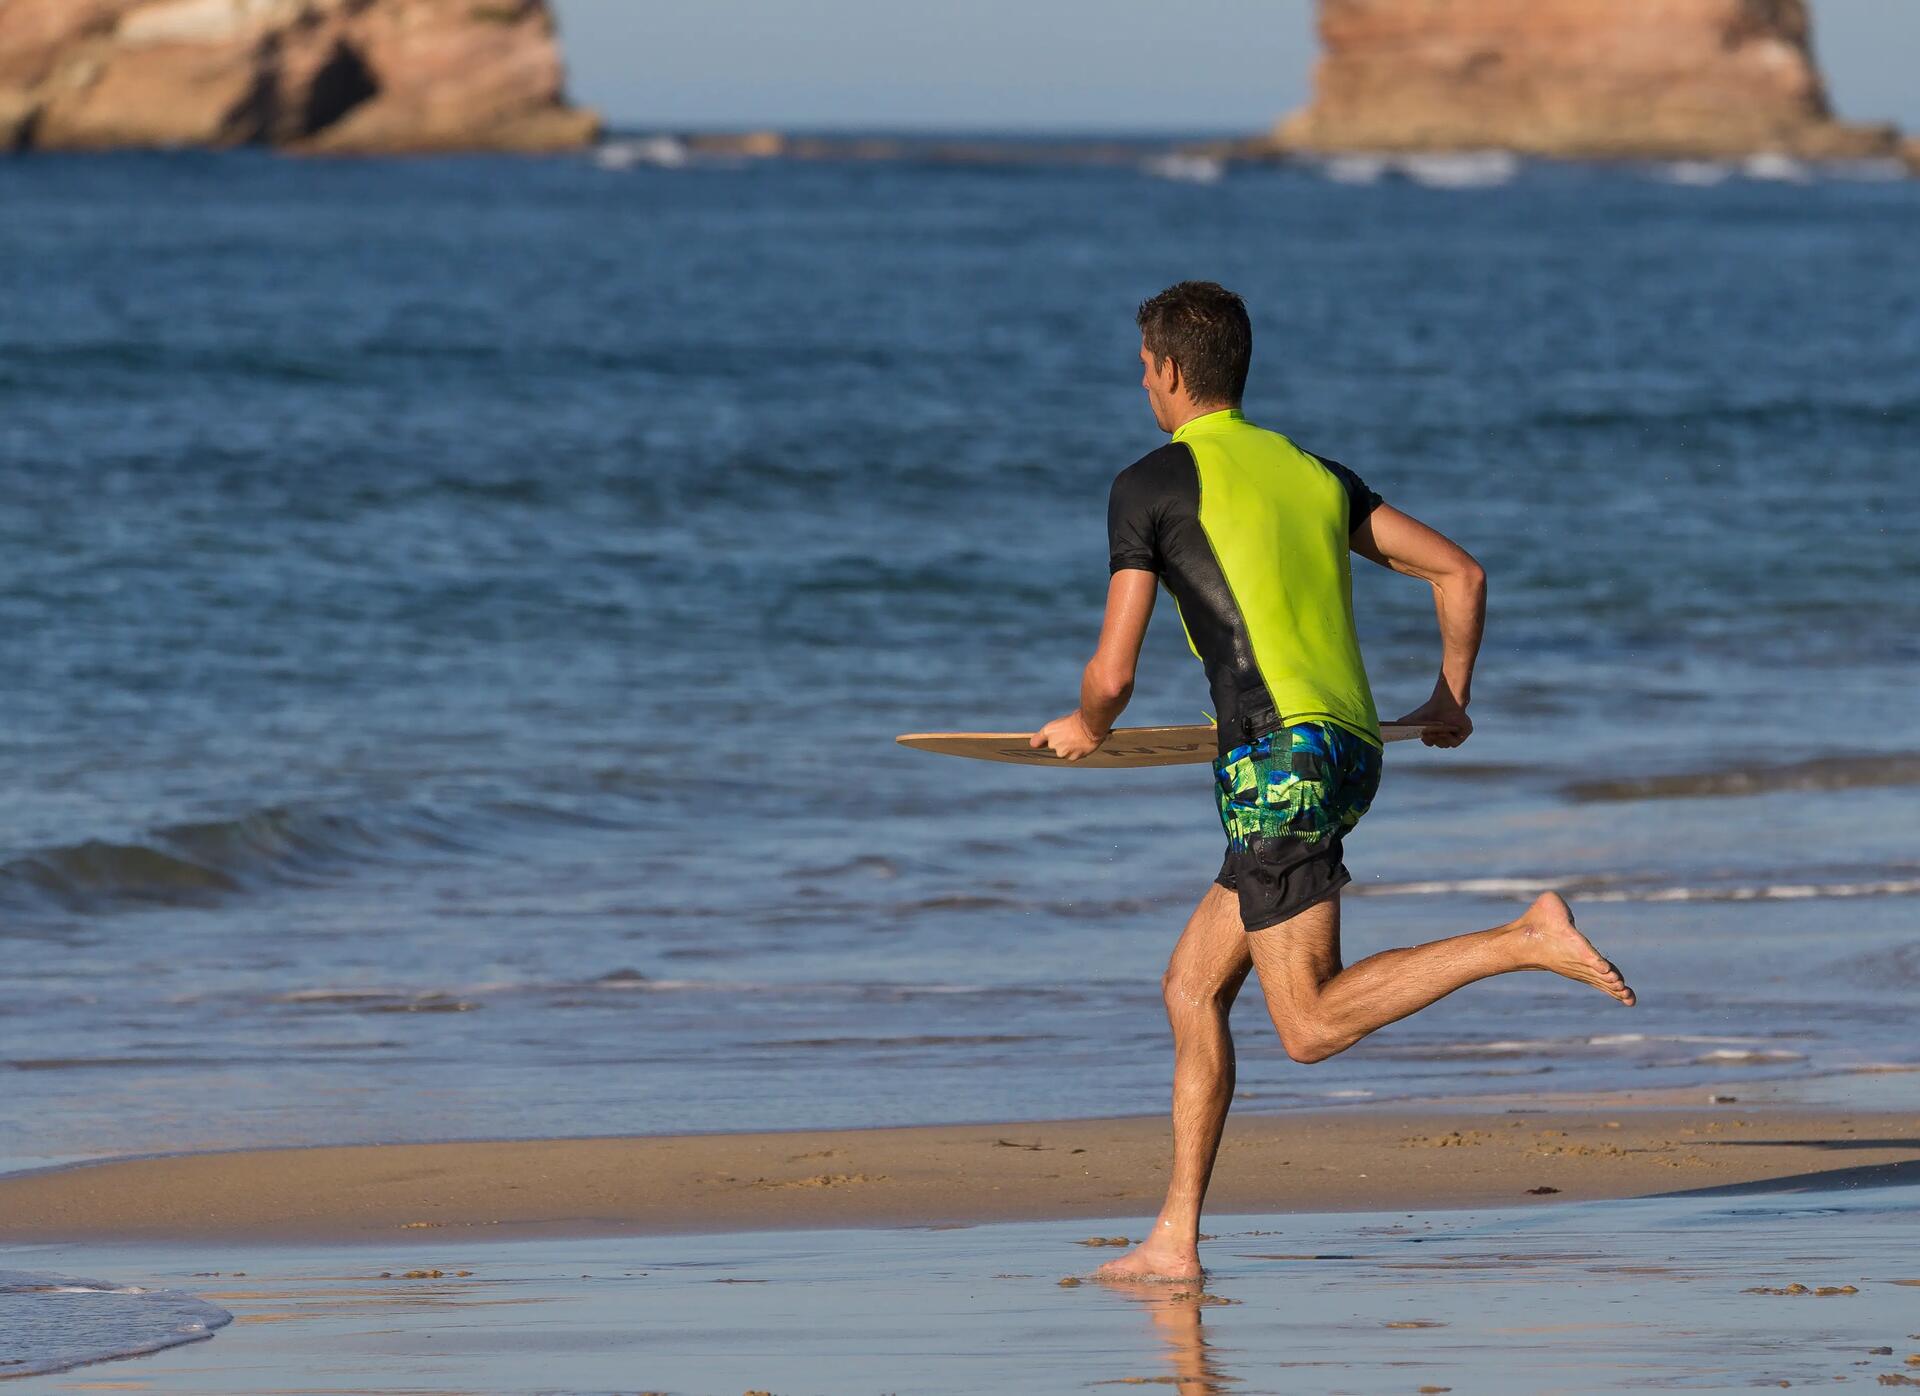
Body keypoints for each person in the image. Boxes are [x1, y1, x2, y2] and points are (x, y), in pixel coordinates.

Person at [1031, 280, 1635, 1284]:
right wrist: (1447, 697)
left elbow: (1114, 672)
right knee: (1191, 987)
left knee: (1305, 1026)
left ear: (1171, 372)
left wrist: (1086, 725)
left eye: (1144, 368)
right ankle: (1174, 1241)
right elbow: (1461, 573)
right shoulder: (1316, 473)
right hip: (1350, 749)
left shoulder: (1149, 483)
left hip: (1279, 764)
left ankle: (1525, 938)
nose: (1143, 383)